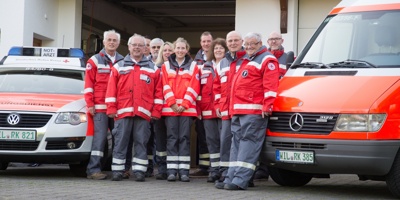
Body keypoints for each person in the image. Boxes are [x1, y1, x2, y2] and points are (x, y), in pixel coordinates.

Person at [220, 32, 279, 190]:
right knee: (236, 144)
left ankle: (240, 180)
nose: (248, 47)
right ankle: (231, 177)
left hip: (253, 112)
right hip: (239, 110)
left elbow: (271, 86)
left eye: (252, 44)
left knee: (248, 144)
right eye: (246, 44)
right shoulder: (247, 59)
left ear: (260, 43)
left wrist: (268, 106)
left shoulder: (267, 59)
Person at [105, 33, 163, 182]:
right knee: (120, 142)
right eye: (134, 45)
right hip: (122, 112)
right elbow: (111, 90)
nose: (137, 47)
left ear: (145, 48)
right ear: (129, 47)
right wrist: (111, 108)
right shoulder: (119, 66)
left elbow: (158, 92)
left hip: (143, 113)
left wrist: (156, 111)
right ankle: (118, 171)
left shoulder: (153, 69)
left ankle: (139, 171)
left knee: (141, 143)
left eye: (140, 45)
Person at [84, 29, 124, 180]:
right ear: (104, 42)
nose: (112, 42)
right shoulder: (94, 61)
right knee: (100, 139)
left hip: (119, 108)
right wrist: (90, 104)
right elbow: (89, 85)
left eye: (115, 40)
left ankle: (117, 169)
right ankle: (93, 169)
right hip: (100, 107)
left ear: (119, 43)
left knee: (119, 138)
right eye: (109, 40)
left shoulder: (123, 60)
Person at [161, 37, 200, 182]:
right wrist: (172, 103)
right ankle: (171, 171)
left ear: (187, 50)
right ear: (174, 49)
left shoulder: (194, 66)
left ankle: (184, 171)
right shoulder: (165, 66)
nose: (180, 50)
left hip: (187, 109)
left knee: (184, 138)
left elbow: (195, 86)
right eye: (178, 48)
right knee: (172, 139)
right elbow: (164, 85)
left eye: (183, 48)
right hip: (170, 109)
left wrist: (184, 104)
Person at [213, 31, 247, 187]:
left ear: (242, 42)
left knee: (240, 143)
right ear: (227, 43)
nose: (233, 43)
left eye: (236, 40)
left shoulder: (247, 60)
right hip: (226, 111)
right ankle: (226, 174)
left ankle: (242, 176)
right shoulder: (223, 62)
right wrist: (218, 105)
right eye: (230, 41)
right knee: (225, 142)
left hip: (241, 110)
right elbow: (217, 87)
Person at [198, 38, 228, 183]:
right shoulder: (204, 67)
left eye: (221, 48)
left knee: (224, 141)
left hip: (223, 110)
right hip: (207, 111)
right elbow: (198, 90)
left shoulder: (228, 66)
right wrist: (198, 109)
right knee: (211, 141)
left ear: (225, 50)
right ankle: (214, 170)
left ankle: (223, 170)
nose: (218, 51)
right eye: (216, 48)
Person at [190, 31, 213, 178]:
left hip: (213, 105)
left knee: (214, 137)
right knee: (202, 136)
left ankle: (215, 167)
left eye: (208, 41)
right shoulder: (195, 62)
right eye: (203, 41)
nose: (206, 44)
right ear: (200, 43)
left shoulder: (219, 58)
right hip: (200, 105)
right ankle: (204, 167)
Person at [144, 38, 165, 178]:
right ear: (149, 48)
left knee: (161, 139)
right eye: (154, 47)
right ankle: (149, 167)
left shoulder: (167, 64)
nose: (156, 49)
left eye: (159, 47)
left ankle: (162, 167)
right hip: (147, 108)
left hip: (163, 108)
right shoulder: (144, 64)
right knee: (148, 139)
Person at [153, 41, 174, 180]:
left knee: (172, 139)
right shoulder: (156, 68)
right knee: (160, 140)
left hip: (172, 110)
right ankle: (162, 169)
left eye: (169, 50)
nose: (167, 52)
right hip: (159, 110)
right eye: (164, 50)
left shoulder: (178, 68)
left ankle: (172, 168)